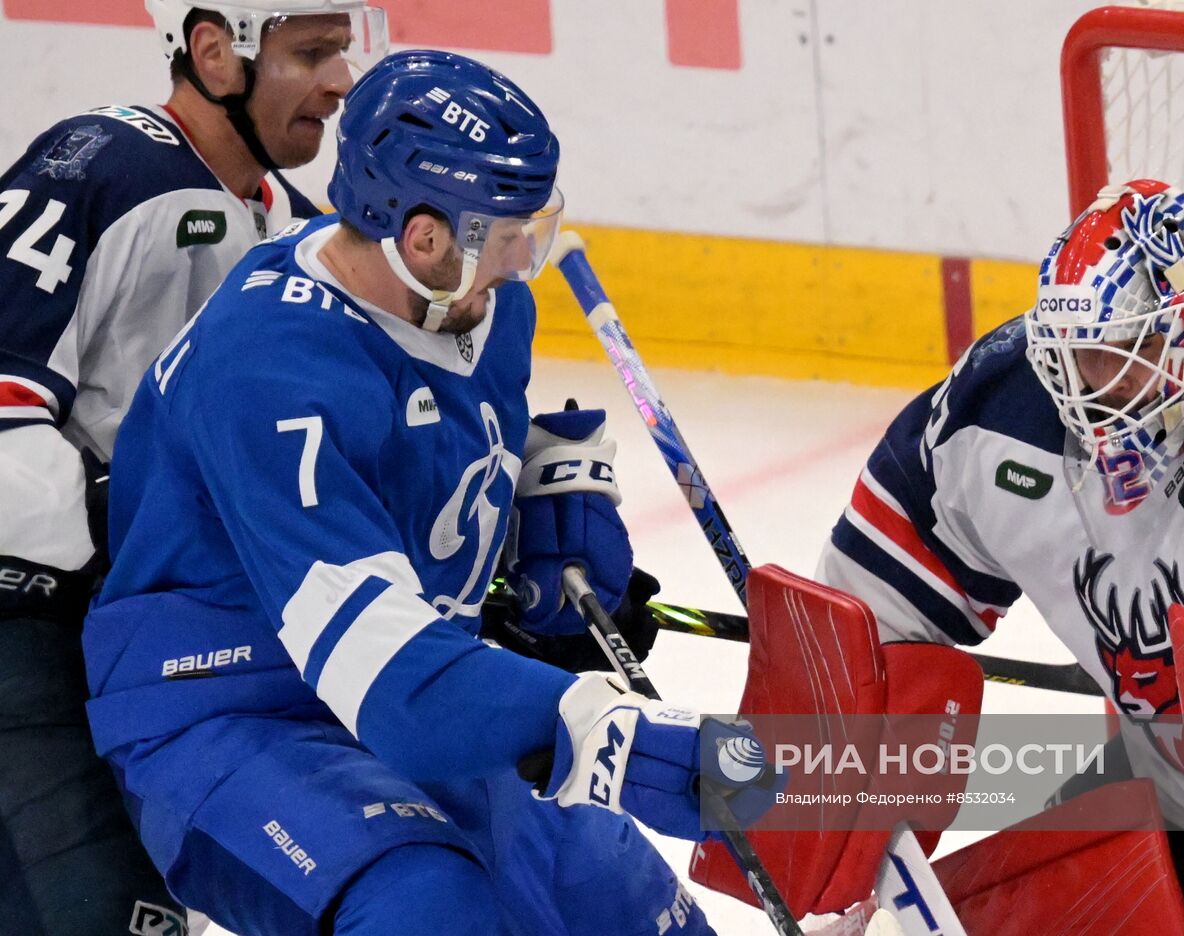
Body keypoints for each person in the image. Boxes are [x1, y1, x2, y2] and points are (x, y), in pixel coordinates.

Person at [84, 50, 767, 936]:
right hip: (228, 711)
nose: (523, 262)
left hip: (410, 693)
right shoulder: (270, 363)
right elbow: (388, 678)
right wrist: (599, 726)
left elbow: (424, 440)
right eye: (502, 232)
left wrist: (537, 499)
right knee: (427, 908)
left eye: (534, 226)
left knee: (609, 887)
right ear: (420, 234)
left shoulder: (475, 304)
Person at [817, 179, 1184, 935]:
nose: (1099, 388)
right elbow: (867, 615)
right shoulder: (995, 410)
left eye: (1134, 348)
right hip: (1183, 806)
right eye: (1085, 355)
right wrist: (850, 816)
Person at [0, 2, 384, 931]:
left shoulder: (293, 232)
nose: (340, 81)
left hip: (144, 657)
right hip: (27, 639)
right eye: (312, 52)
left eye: (341, 51)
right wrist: (139, 514)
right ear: (216, 52)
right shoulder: (103, 165)